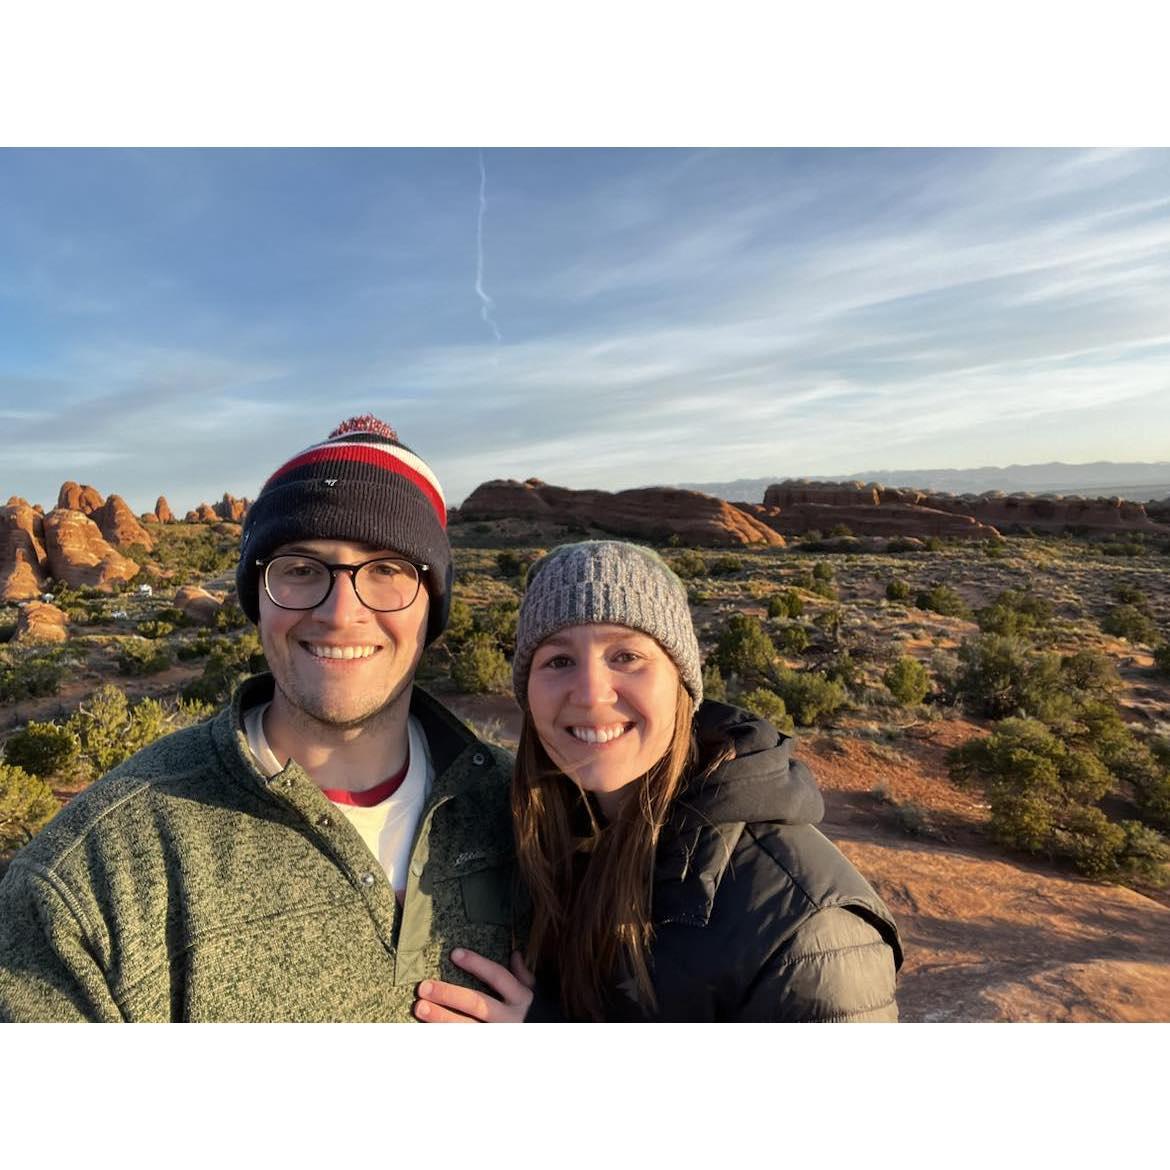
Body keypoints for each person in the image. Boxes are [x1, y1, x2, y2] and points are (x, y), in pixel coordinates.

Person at [0, 415, 519, 1021]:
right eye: (300, 570)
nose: (340, 612)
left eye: (387, 571)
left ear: (433, 605)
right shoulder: (91, 880)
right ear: (257, 597)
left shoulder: (531, 812)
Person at [414, 540, 902, 1022]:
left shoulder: (809, 932)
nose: (589, 694)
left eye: (626, 656)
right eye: (558, 661)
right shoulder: (551, 841)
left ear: (681, 683)